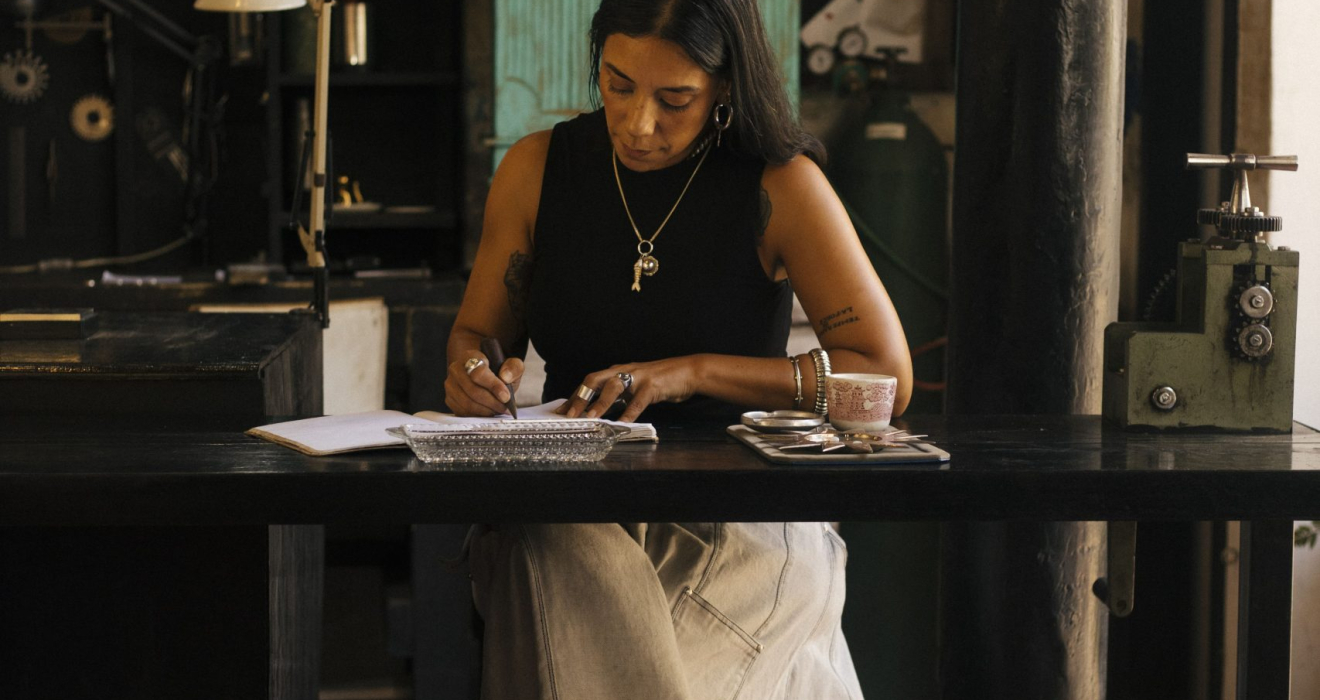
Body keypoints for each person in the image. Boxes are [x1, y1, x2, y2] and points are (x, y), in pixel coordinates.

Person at [444, 0, 912, 697]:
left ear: (724, 85)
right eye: (618, 85)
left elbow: (885, 376)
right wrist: (472, 372)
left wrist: (693, 373)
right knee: (550, 546)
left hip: (741, 511)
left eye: (675, 100)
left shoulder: (779, 186)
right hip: (576, 501)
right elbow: (473, 337)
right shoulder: (535, 170)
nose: (639, 124)